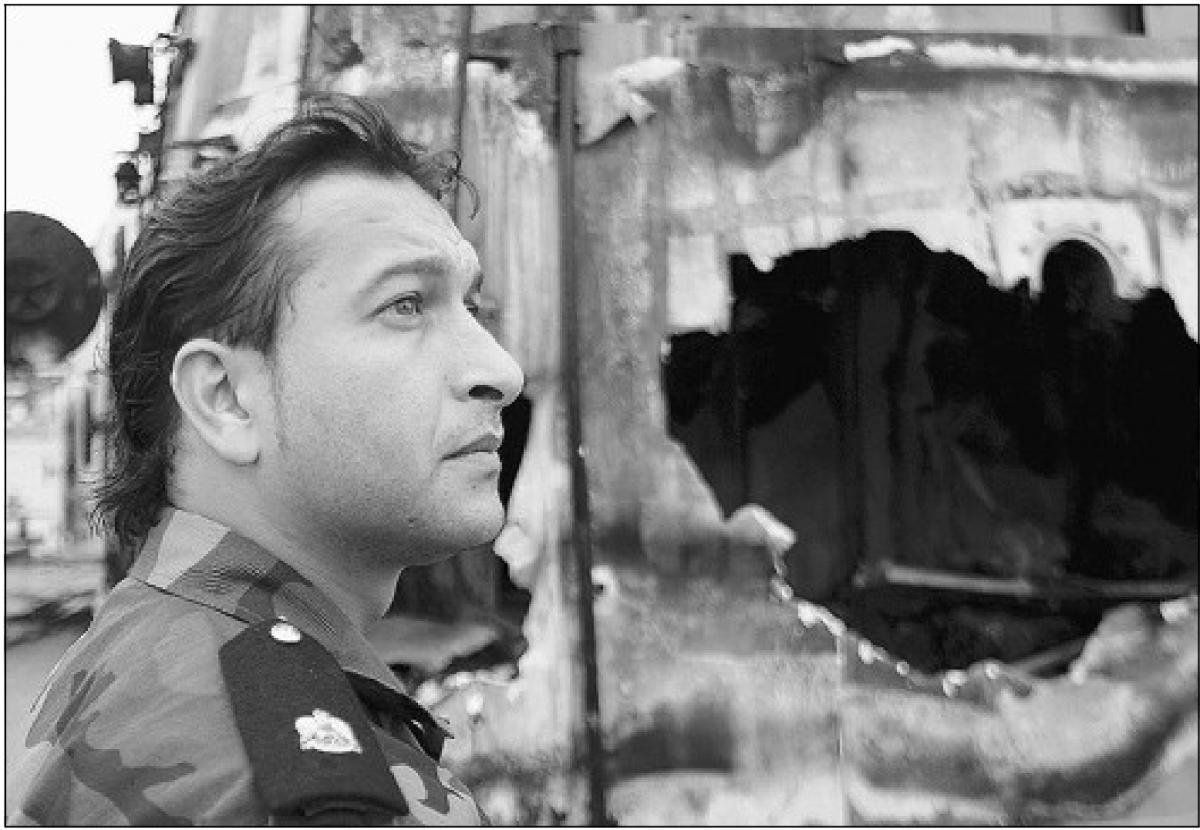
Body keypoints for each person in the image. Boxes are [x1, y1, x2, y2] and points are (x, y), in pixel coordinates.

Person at [6, 93, 524, 825]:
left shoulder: (143, 642)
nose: (501, 370)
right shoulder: (310, 792)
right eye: (405, 304)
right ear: (225, 398)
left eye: (474, 306)